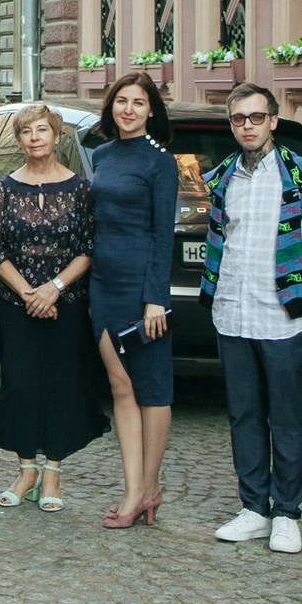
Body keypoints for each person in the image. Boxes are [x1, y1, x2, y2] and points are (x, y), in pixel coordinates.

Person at [203, 82, 302, 555]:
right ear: (232, 124)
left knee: (287, 418)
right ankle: (253, 508)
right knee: (243, 414)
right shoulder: (223, 176)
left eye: (256, 117)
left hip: (284, 317)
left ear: (273, 121)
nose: (248, 126)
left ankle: (287, 512)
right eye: (239, 119)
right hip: (233, 313)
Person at [0, 103, 107, 513]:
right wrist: (28, 294)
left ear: (57, 136)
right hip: (15, 304)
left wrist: (52, 289)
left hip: (67, 301)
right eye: (27, 132)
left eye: (42, 130)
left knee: (62, 383)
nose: (35, 137)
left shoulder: (80, 189)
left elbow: (88, 248)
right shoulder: (3, 187)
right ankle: (26, 469)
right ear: (18, 141)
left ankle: (53, 470)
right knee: (20, 383)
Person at [87, 73, 180, 529]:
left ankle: (148, 487)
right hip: (103, 284)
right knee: (120, 386)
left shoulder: (161, 163)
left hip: (142, 290)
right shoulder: (102, 155)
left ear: (150, 111)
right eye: (121, 101)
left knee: (152, 389)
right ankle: (132, 488)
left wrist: (155, 299)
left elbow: (164, 234)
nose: (128, 110)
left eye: (138, 103)